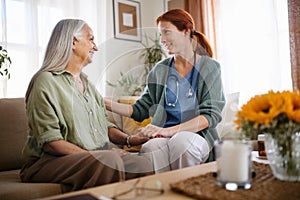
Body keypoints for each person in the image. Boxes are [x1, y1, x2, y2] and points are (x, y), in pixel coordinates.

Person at [20, 19, 153, 192]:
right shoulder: (45, 81)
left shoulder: (88, 85)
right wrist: (97, 156)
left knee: (142, 163)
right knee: (109, 161)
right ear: (73, 42)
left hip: (90, 157)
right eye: (91, 39)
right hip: (47, 161)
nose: (96, 47)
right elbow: (51, 142)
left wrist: (130, 140)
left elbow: (105, 126)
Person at [105, 9, 225, 173]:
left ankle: (189, 190)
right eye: (161, 35)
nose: (162, 40)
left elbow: (210, 116)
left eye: (167, 33)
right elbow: (140, 109)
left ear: (186, 31)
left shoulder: (210, 67)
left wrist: (167, 131)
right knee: (152, 147)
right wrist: (105, 103)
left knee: (182, 143)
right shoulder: (160, 70)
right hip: (163, 136)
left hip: (197, 137)